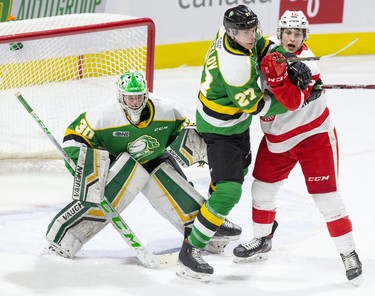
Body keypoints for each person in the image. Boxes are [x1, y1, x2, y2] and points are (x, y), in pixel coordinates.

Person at [176, 5, 313, 281]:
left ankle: (212, 219)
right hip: (220, 129)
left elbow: (263, 45)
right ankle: (190, 251)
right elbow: (259, 106)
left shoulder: (232, 34)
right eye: (246, 32)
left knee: (237, 173)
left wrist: (286, 57)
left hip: (233, 123)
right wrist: (298, 96)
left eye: (253, 29)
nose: (252, 35)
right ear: (231, 32)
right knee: (229, 191)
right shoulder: (234, 66)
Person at [46, 70, 242, 260]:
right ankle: (63, 238)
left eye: (138, 97)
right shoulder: (103, 116)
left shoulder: (167, 110)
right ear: (119, 96)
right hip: (119, 164)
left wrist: (196, 148)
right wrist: (85, 167)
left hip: (156, 159)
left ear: (146, 95)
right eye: (129, 98)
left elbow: (186, 131)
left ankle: (208, 235)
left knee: (179, 192)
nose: (134, 102)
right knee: (99, 196)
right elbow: (74, 138)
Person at [232, 10, 363, 286]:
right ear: (279, 34)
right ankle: (262, 239)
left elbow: (291, 101)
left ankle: (348, 253)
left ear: (305, 36)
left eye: (298, 34)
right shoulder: (266, 48)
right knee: (261, 189)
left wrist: (288, 82)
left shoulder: (309, 65)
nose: (292, 38)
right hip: (277, 139)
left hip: (313, 137)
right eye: (288, 33)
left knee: (326, 198)